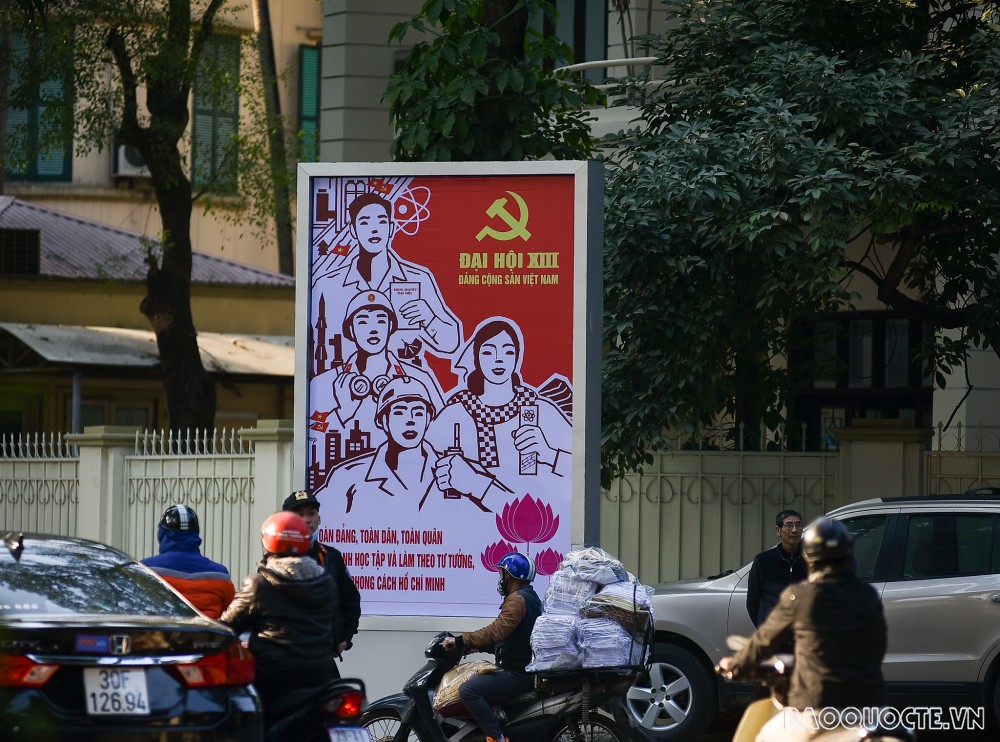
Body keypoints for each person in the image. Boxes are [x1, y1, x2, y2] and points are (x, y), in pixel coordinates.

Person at [719, 517, 888, 742]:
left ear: (808, 557)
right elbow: (878, 647)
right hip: (871, 710)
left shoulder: (799, 596)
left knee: (763, 737)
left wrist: (735, 666)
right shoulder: (868, 595)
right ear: (849, 556)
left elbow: (761, 643)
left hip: (817, 711)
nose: (793, 529)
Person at [220, 512, 341, 724]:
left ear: (268, 543)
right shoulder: (326, 583)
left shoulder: (259, 584)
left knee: (238, 720)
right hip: (320, 674)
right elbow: (333, 626)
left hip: (273, 678)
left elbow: (226, 628)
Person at [326, 376, 510, 514]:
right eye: (399, 412)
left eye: (419, 412)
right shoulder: (347, 478)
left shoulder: (462, 471)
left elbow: (521, 519)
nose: (410, 421)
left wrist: (477, 484)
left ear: (429, 419)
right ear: (382, 421)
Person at [442, 552, 542, 742]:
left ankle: (497, 738)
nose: (500, 578)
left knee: (468, 690)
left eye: (502, 574)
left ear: (512, 576)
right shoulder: (530, 598)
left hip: (517, 674)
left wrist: (460, 640)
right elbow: (513, 639)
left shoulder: (517, 599)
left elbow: (496, 631)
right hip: (521, 669)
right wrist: (478, 648)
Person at [282, 489, 362, 661]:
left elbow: (351, 600)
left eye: (311, 514)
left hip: (322, 656)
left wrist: (345, 637)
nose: (306, 520)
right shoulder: (275, 560)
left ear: (319, 519)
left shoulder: (331, 557)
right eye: (299, 514)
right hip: (286, 658)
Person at [141, 504, 235, 620]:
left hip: (159, 636)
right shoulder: (221, 575)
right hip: (206, 636)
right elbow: (230, 616)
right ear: (196, 534)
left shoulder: (144, 569)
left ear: (161, 534)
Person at [746, 509, 807, 627]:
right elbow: (752, 601)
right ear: (778, 530)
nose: (794, 530)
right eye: (789, 525)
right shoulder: (763, 561)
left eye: (798, 525)